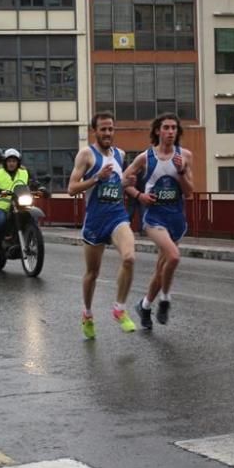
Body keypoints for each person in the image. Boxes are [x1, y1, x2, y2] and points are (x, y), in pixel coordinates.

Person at [67, 111, 136, 339]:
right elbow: (72, 189)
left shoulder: (120, 154)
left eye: (111, 129)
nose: (107, 133)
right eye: (103, 129)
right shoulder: (86, 155)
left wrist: (126, 183)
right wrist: (97, 177)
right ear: (94, 131)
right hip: (96, 220)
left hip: (117, 216)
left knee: (129, 258)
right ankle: (87, 314)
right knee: (92, 273)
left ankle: (119, 308)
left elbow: (116, 182)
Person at [122, 112, 194, 330]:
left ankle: (144, 306)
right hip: (154, 218)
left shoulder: (185, 156)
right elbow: (124, 181)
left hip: (176, 219)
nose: (170, 131)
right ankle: (165, 300)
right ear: (157, 131)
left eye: (174, 128)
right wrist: (139, 195)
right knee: (173, 256)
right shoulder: (145, 158)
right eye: (166, 127)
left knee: (162, 267)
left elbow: (189, 192)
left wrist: (181, 172)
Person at [0, 148, 40, 256]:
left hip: (20, 202)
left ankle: (31, 239)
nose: (12, 163)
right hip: (2, 203)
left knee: (32, 217)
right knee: (1, 221)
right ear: (5, 162)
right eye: (9, 161)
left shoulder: (24, 172)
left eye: (14, 161)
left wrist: (41, 188)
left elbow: (34, 182)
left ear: (18, 162)